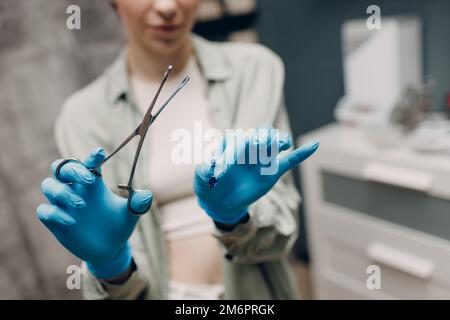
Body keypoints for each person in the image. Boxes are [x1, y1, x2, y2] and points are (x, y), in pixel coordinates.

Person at [36, 0, 318, 299]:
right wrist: (110, 265)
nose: (168, 6)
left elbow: (284, 231)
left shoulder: (256, 70)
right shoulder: (82, 116)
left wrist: (235, 217)